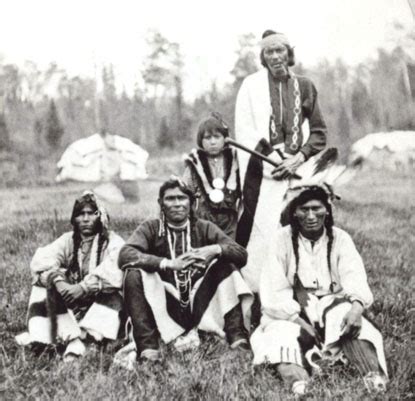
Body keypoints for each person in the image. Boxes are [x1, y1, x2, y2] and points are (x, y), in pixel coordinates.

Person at [250, 184, 388, 395]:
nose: (311, 215)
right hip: (292, 308)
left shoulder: (340, 238)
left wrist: (356, 309)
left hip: (332, 304)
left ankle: (373, 376)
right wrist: (300, 321)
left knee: (352, 326)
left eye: (317, 208)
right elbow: (273, 287)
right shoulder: (281, 239)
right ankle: (298, 382)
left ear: (327, 210)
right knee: (280, 335)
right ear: (294, 212)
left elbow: (355, 276)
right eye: (304, 209)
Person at [114, 178, 252, 368]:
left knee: (226, 265)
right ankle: (148, 349)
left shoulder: (204, 227)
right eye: (170, 199)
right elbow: (125, 254)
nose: (177, 204)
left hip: (199, 305)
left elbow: (241, 254)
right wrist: (167, 264)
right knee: (133, 273)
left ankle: (238, 339)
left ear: (191, 202)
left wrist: (214, 250)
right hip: (165, 305)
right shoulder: (151, 228)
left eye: (182, 198)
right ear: (161, 203)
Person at [234, 29, 328, 293]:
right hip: (263, 168)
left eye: (280, 50)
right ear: (263, 57)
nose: (275, 56)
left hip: (300, 167)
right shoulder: (251, 86)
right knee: (262, 230)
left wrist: (298, 159)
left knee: (303, 224)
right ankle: (257, 290)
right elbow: (244, 130)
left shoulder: (305, 86)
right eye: (269, 52)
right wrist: (274, 161)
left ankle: (308, 287)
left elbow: (319, 132)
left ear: (289, 53)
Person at [15, 191, 125, 361]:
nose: (86, 219)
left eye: (91, 214)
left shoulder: (112, 241)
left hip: (100, 305)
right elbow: (42, 260)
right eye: (81, 214)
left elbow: (115, 268)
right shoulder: (68, 240)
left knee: (114, 292)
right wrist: (59, 281)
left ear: (101, 217)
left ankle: (91, 339)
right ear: (74, 219)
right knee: (42, 285)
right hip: (73, 304)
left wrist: (83, 287)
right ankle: (48, 337)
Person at [183, 112, 241, 239]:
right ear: (201, 140)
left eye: (217, 136)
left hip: (231, 221)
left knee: (230, 251)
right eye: (208, 138)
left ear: (225, 138)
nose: (213, 142)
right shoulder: (195, 163)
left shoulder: (236, 160)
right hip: (204, 219)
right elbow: (186, 193)